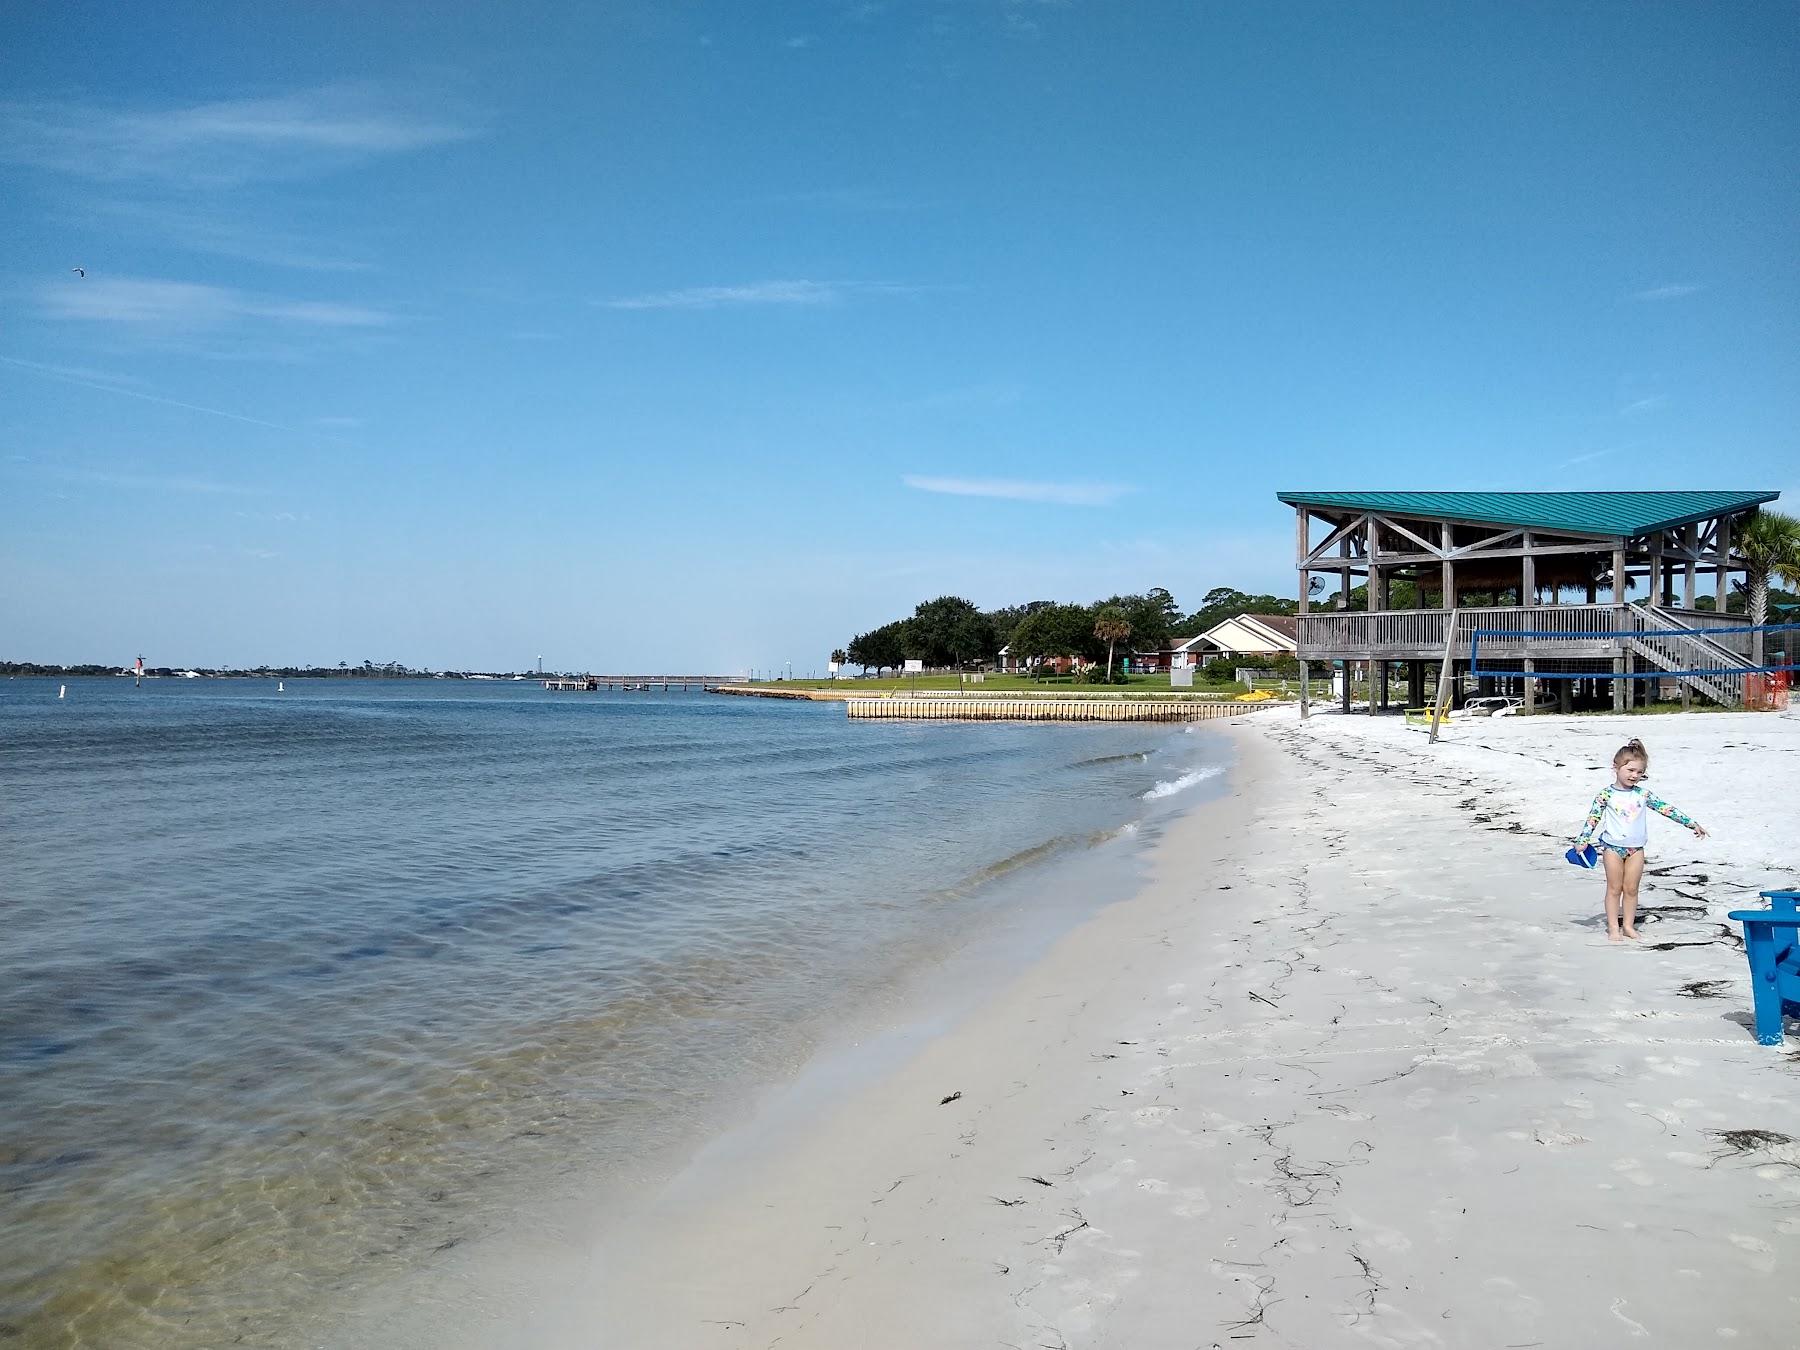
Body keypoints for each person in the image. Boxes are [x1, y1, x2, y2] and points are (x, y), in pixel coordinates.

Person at [1573, 738, 1708, 942]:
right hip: (1612, 848)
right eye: (1630, 770)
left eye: (1639, 772)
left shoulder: (1643, 795)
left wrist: (1692, 823)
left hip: (1636, 849)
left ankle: (1628, 925)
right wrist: (1583, 839)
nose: (1634, 775)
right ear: (1616, 767)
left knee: (1631, 889)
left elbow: (1667, 809)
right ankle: (1613, 928)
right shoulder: (1606, 795)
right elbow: (1593, 818)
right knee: (1614, 888)